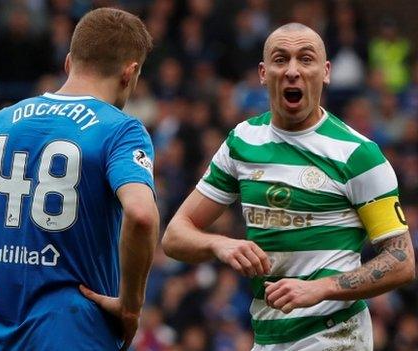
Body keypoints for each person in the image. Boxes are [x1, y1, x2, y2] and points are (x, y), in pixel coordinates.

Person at [0, 7, 159, 351]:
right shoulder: (120, 129)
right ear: (130, 74)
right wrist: (130, 305)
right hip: (77, 334)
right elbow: (142, 216)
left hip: (1, 336)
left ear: (68, 62)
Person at [162, 23, 415, 351]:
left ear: (325, 73)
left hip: (335, 334)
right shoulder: (242, 141)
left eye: (305, 59)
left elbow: (402, 260)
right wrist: (219, 245)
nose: (293, 70)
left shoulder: (357, 154)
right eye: (281, 60)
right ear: (264, 73)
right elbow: (174, 237)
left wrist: (321, 288)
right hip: (268, 336)